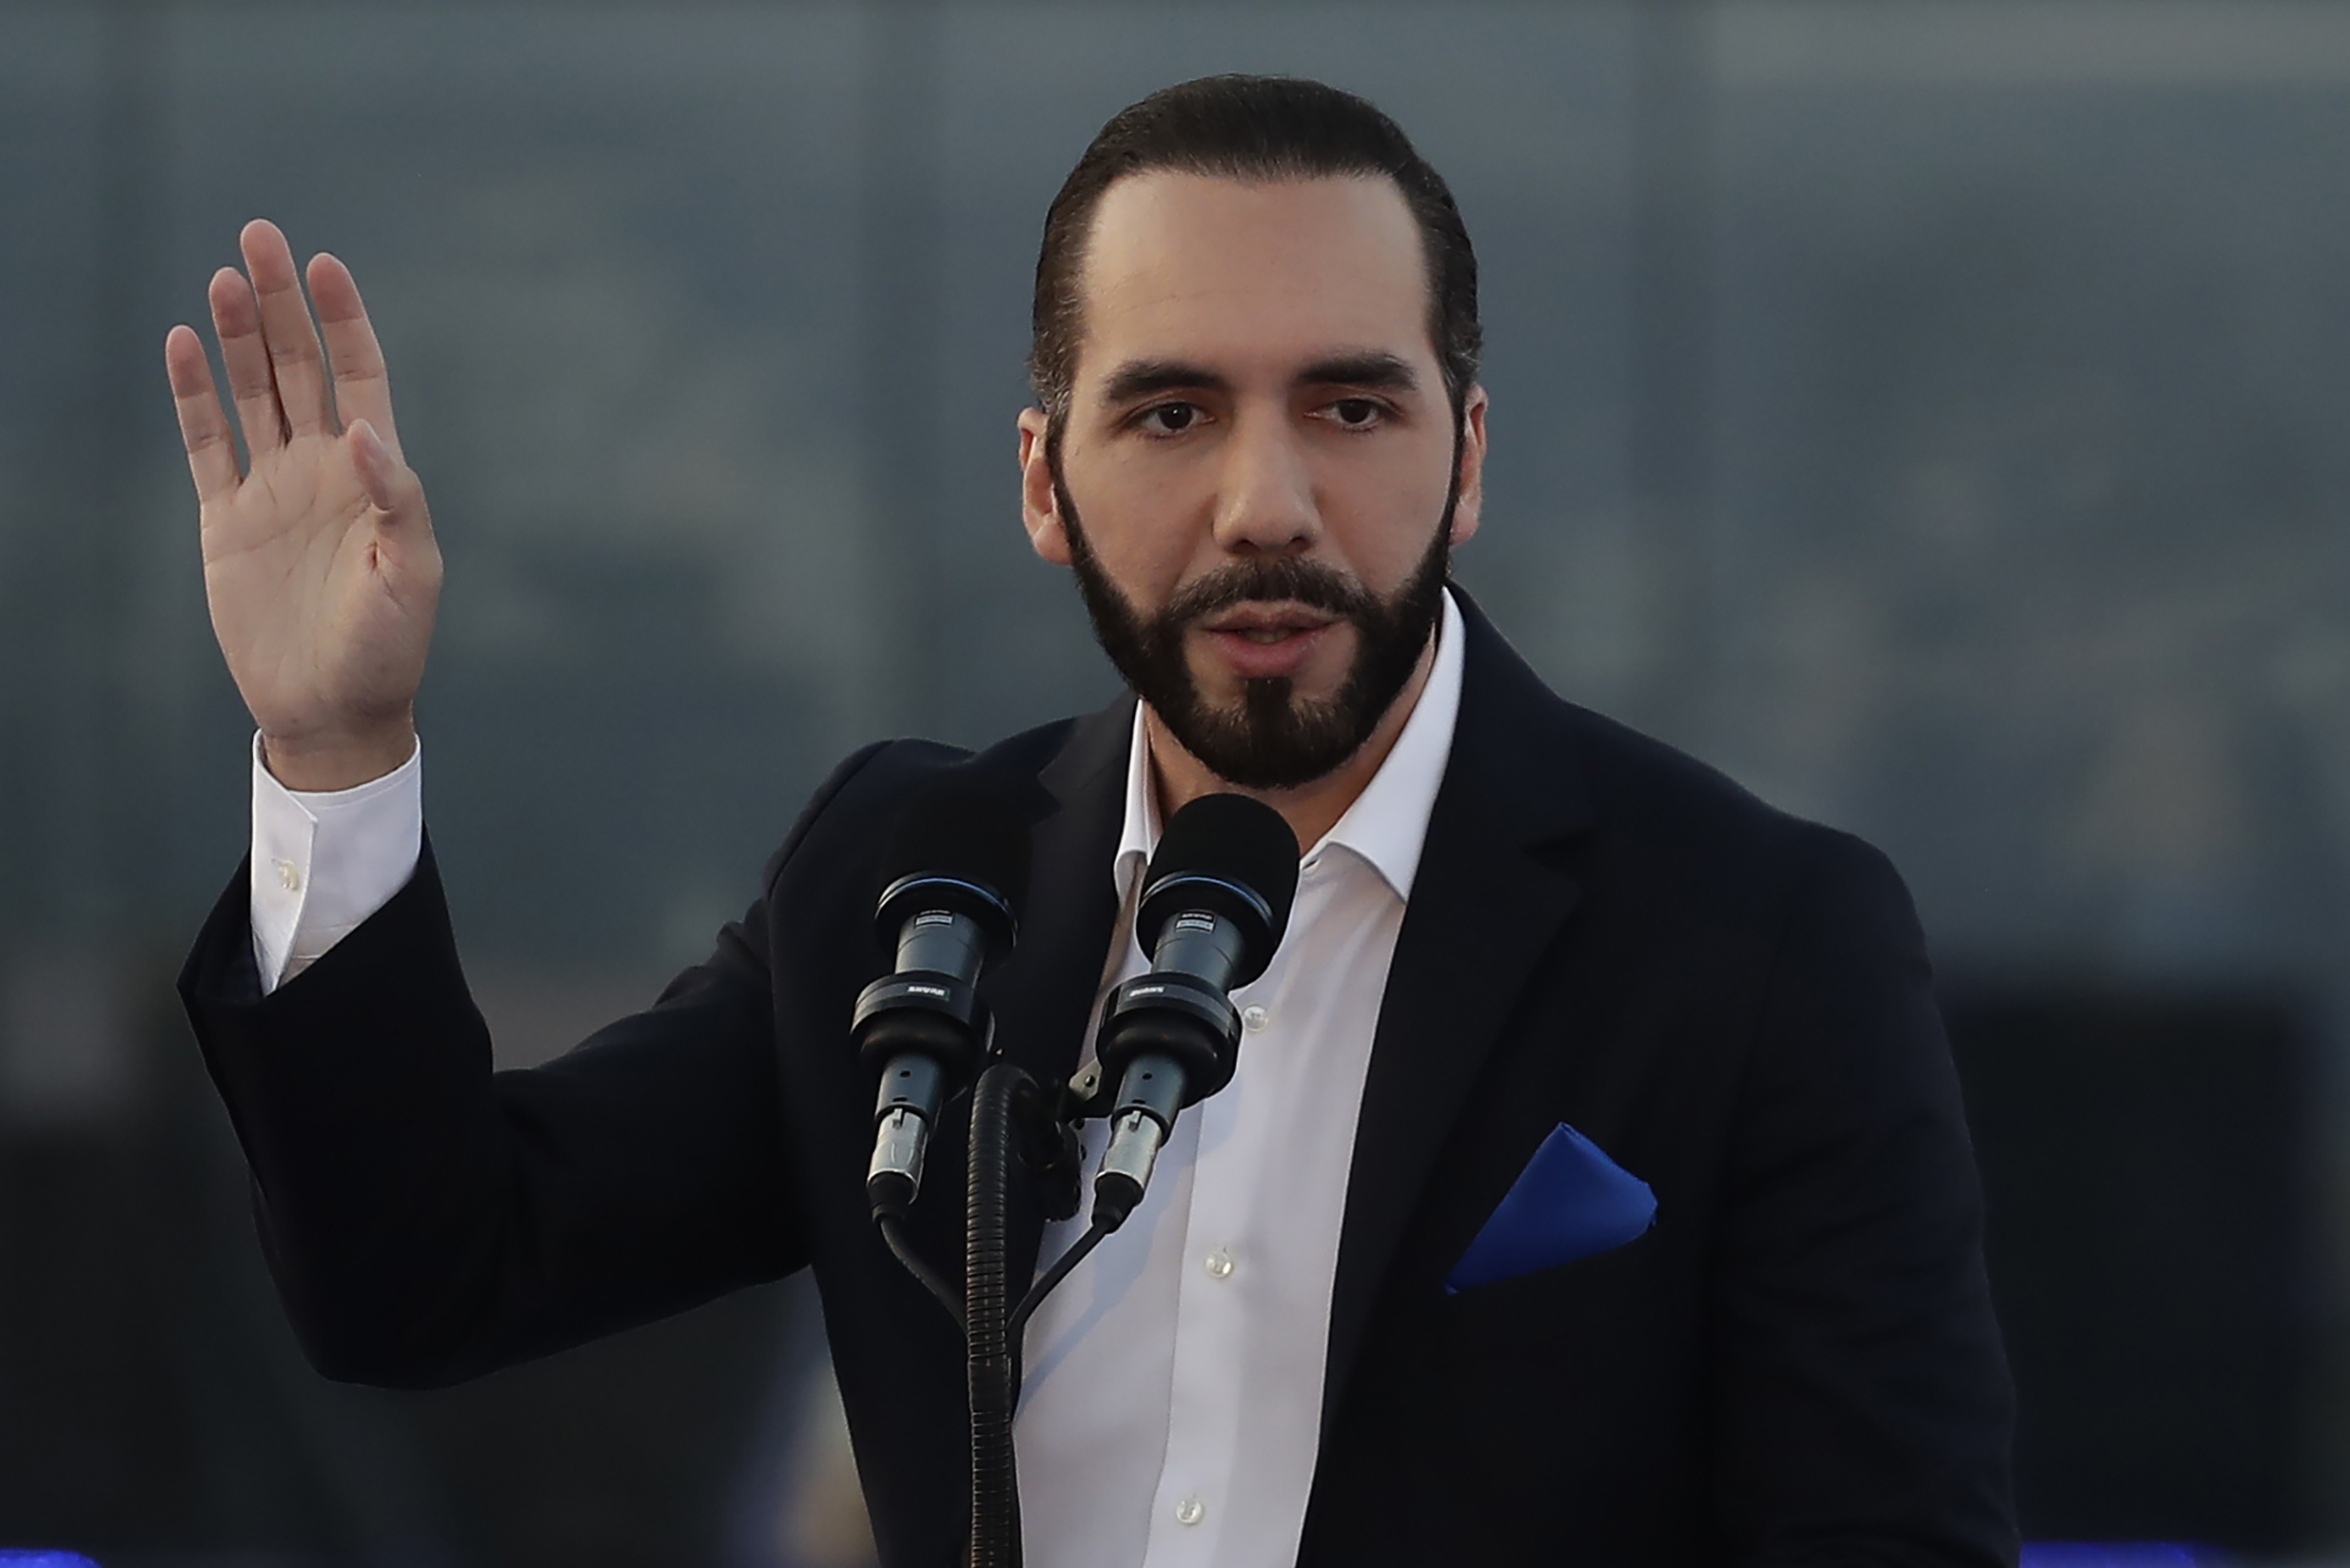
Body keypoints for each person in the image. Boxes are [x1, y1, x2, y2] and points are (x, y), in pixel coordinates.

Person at [167, 76, 2015, 1568]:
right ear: (1044, 483)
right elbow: (425, 1274)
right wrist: (335, 745)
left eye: (1348, 406)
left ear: (1465, 456)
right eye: (1171, 414)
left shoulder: (1754, 936)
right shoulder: (911, 882)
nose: (1263, 500)